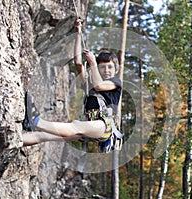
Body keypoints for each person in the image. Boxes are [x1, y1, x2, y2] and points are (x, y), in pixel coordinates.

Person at [22, 19, 122, 147]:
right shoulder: (89, 84)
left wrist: (93, 63)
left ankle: (35, 121)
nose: (106, 70)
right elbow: (78, 62)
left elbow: (99, 86)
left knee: (76, 125)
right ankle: (17, 140)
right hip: (90, 126)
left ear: (116, 69)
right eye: (103, 67)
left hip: (104, 125)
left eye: (110, 67)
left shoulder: (115, 82)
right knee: (44, 136)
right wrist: (78, 33)